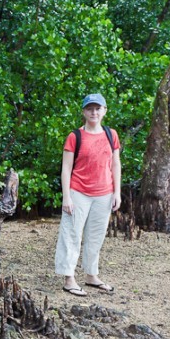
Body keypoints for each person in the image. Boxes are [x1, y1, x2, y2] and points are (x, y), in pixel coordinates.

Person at [55, 93, 121, 296]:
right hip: (78, 192)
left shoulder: (111, 134)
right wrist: (67, 196)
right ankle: (69, 279)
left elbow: (115, 164)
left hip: (104, 193)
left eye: (98, 108)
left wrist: (117, 192)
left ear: (104, 111)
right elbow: (66, 168)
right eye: (90, 108)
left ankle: (92, 275)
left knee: (96, 236)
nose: (94, 112)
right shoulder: (75, 136)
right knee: (71, 234)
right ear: (84, 111)